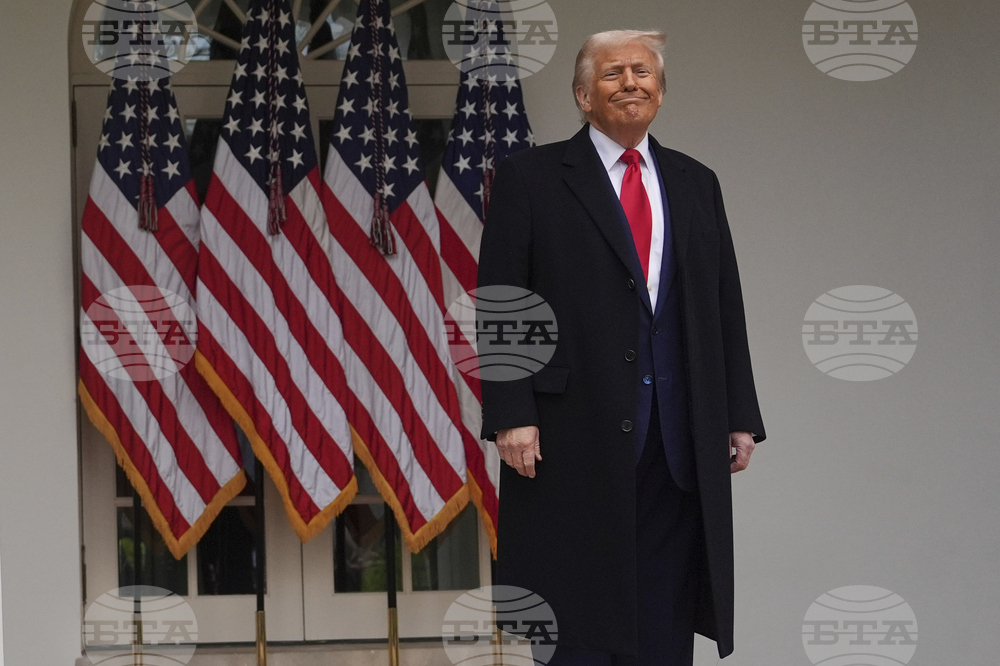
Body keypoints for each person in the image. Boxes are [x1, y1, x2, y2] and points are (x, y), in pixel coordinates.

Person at [477, 29, 767, 665]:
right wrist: (511, 412)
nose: (630, 82)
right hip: (569, 432)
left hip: (676, 434)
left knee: (664, 617)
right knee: (576, 617)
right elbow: (503, 301)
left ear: (660, 92)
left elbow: (724, 304)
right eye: (612, 73)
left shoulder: (696, 181)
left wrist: (738, 414)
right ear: (583, 96)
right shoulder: (531, 178)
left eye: (643, 72)